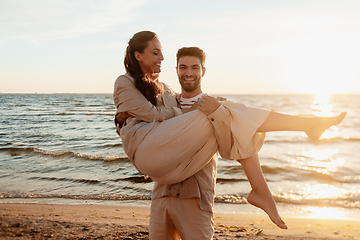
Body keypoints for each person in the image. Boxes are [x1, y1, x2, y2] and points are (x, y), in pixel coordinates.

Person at [113, 31, 346, 237]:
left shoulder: (208, 106)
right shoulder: (164, 95)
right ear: (176, 70)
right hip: (162, 194)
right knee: (230, 113)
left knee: (229, 114)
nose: (188, 72)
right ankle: (296, 140)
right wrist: (121, 119)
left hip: (194, 198)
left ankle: (266, 182)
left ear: (203, 71)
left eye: (194, 67)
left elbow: (228, 148)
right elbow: (145, 120)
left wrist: (217, 113)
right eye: (183, 67)